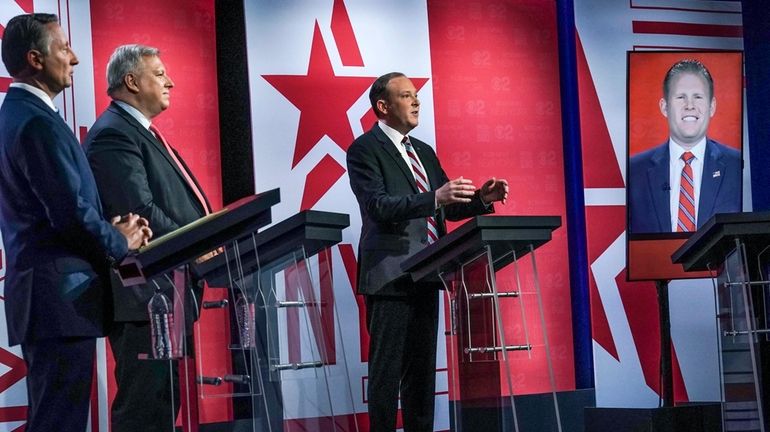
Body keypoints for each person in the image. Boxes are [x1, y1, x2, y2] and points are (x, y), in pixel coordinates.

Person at [0, 14, 151, 432]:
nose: (76, 58)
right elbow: (70, 215)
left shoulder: (22, 115)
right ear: (35, 59)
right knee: (59, 422)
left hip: (53, 301)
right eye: (64, 48)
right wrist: (120, 239)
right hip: (59, 301)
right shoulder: (34, 122)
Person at [346, 72, 509, 432]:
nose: (417, 101)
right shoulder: (364, 149)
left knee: (422, 373)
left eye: (416, 95)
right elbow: (379, 206)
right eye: (406, 96)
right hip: (390, 275)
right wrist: (435, 196)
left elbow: (445, 209)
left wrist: (481, 198)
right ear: (383, 106)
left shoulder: (423, 151)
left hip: (428, 272)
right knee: (387, 373)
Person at [84, 44, 211, 432]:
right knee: (145, 410)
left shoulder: (140, 132)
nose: (169, 81)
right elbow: (139, 213)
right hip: (143, 295)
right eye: (159, 74)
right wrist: (202, 241)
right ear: (131, 81)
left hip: (164, 290)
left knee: (162, 406)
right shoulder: (113, 135)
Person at [628, 59, 741, 234]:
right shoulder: (634, 170)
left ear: (712, 107)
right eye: (681, 97)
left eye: (698, 97)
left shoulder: (737, 166)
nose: (690, 106)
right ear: (664, 107)